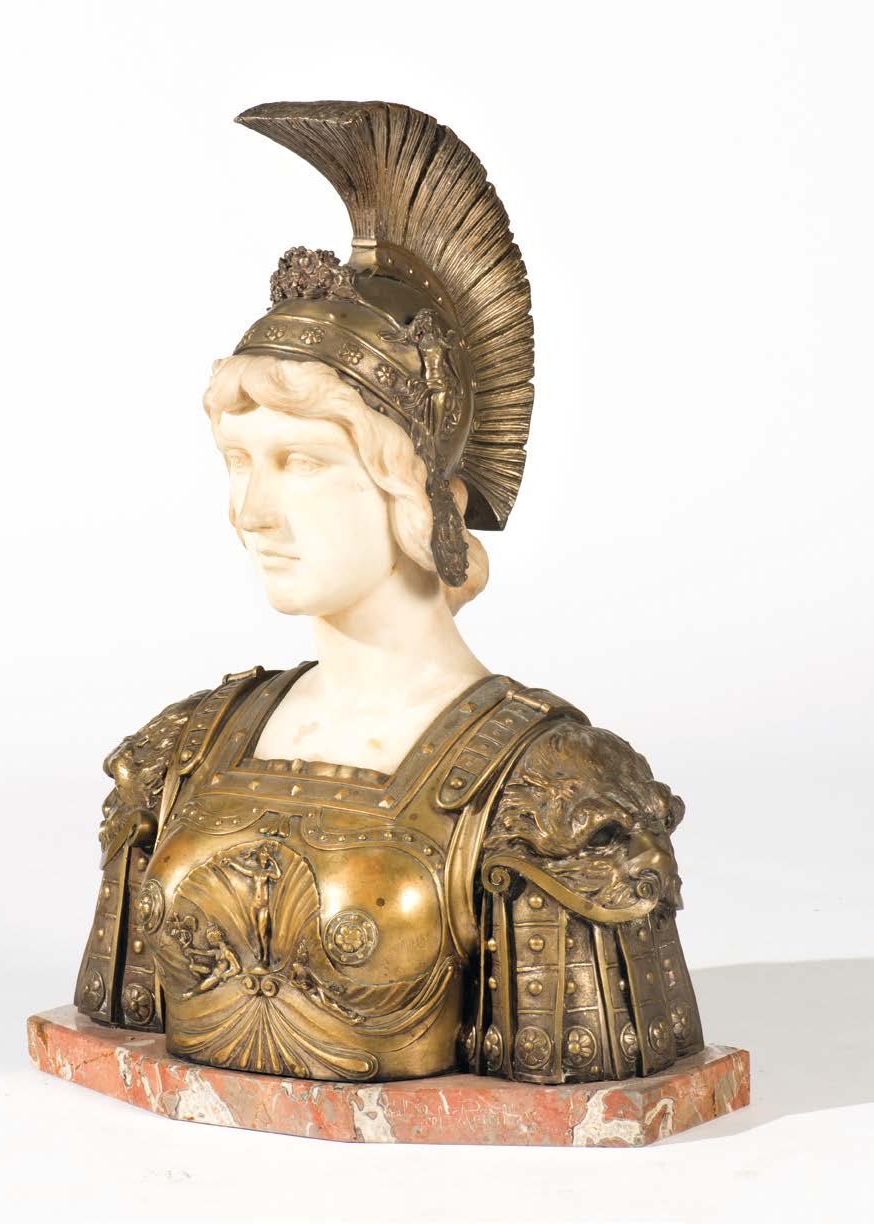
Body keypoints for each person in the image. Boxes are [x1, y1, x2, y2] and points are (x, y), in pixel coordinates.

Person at [74, 100, 703, 1084]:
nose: (250, 511)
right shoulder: (180, 751)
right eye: (238, 462)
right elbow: (118, 1020)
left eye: (301, 462)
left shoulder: (552, 789)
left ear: (421, 496)